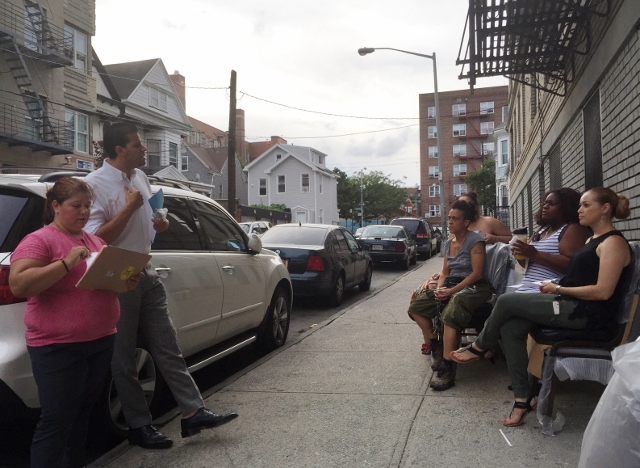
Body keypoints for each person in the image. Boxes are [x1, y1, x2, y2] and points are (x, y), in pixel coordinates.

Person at [84, 123, 238, 450]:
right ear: (119, 150)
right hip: (117, 275)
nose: (144, 149)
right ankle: (139, 426)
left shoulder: (139, 177)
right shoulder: (93, 185)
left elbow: (154, 212)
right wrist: (128, 208)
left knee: (167, 344)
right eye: (137, 144)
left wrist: (160, 220)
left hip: (145, 267)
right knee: (123, 357)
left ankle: (193, 411)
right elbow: (95, 239)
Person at [451, 187, 633, 427]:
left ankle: (479, 346)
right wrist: (555, 285)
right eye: (579, 205)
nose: (580, 210)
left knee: (506, 301)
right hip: (570, 305)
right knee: (511, 328)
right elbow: (579, 276)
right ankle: (523, 398)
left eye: (586, 205)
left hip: (588, 315)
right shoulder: (592, 239)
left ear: (605, 209)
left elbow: (603, 291)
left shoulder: (613, 243)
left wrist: (557, 289)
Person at [9, 177, 141, 468]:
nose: (83, 212)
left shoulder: (94, 240)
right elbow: (19, 284)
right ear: (55, 206)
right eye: (76, 206)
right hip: (58, 347)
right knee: (57, 420)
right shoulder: (39, 239)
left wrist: (125, 281)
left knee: (82, 415)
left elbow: (102, 285)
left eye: (87, 206)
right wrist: (66, 263)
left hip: (99, 340)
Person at [407, 200, 492, 391]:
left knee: (451, 312)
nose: (450, 222)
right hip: (452, 284)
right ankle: (437, 345)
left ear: (466, 222)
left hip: (475, 287)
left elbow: (477, 273)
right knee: (417, 307)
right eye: (450, 218)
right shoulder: (448, 243)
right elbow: (445, 271)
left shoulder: (475, 240)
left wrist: (451, 292)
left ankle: (447, 366)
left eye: (455, 219)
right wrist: (440, 288)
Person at [511, 188, 591, 293]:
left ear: (565, 207)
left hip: (550, 291)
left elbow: (571, 265)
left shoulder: (572, 229)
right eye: (545, 203)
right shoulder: (542, 230)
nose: (545, 206)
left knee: (503, 302)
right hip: (528, 287)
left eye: (551, 204)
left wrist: (535, 254)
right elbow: (528, 263)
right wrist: (521, 254)